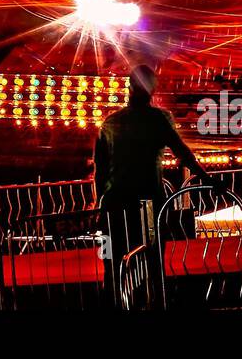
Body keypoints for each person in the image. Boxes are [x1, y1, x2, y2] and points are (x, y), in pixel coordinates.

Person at [92, 64, 215, 305]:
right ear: (152, 90)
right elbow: (183, 154)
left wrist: (99, 206)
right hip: (148, 204)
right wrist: (208, 179)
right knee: (152, 260)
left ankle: (114, 302)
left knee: (112, 264)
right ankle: (154, 301)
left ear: (129, 87)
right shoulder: (158, 119)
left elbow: (100, 170)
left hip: (114, 206)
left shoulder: (110, 123)